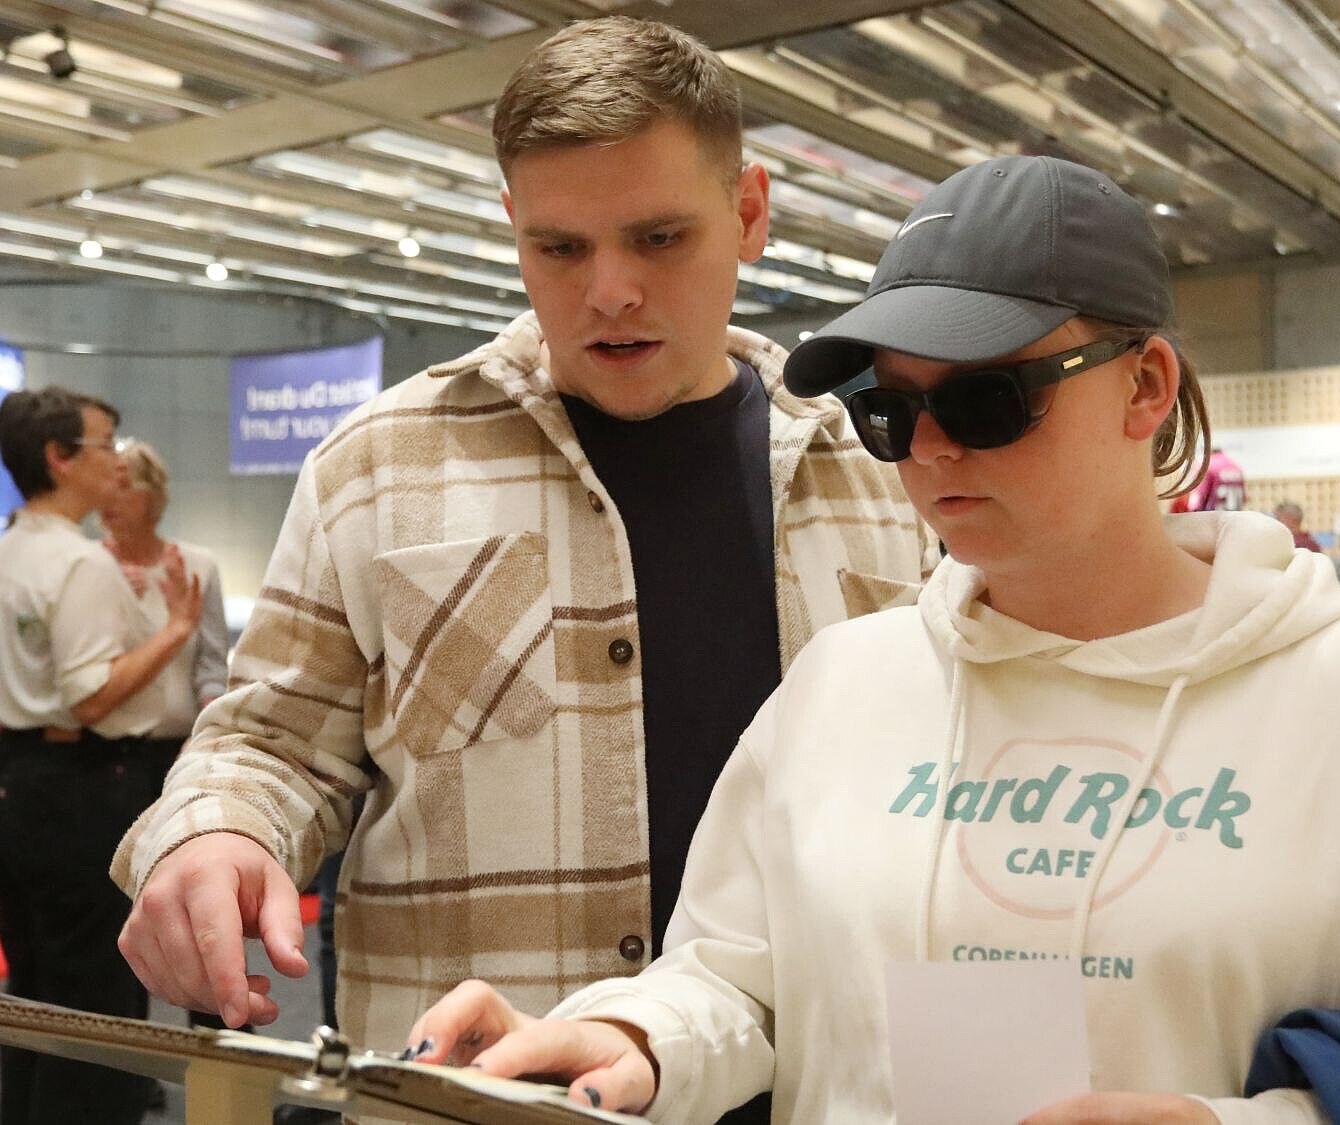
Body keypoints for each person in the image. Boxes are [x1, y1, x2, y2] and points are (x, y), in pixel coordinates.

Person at [404, 156, 1340, 1124]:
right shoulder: (844, 684)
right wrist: (639, 1039)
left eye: (985, 401)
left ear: (1146, 388)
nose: (927, 451)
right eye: (889, 410)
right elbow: (736, 980)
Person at [110, 19, 936, 1120]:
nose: (610, 291)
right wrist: (215, 829)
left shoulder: (877, 478)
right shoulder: (377, 467)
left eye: (657, 238)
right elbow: (271, 742)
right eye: (561, 248)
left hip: (816, 1092)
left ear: (749, 214)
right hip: (472, 1097)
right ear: (512, 228)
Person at [0, 387, 202, 1125]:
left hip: (18, 783)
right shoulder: (80, 564)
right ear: (59, 458)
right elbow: (89, 697)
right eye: (105, 443)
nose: (117, 459)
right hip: (79, 786)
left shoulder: (10, 546)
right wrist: (176, 629)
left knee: (32, 993)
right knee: (95, 1008)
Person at [101, 438, 229, 797]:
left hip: (184, 748)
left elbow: (212, 665)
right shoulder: (87, 568)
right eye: (105, 486)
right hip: (107, 753)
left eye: (124, 487)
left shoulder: (197, 566)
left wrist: (208, 734)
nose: (109, 498)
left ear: (151, 496)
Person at [1186, 445, 1246, 511]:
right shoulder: (1236, 466)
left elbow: (1198, 498)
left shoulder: (1208, 466)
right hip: (1235, 515)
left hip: (1214, 516)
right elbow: (1244, 496)